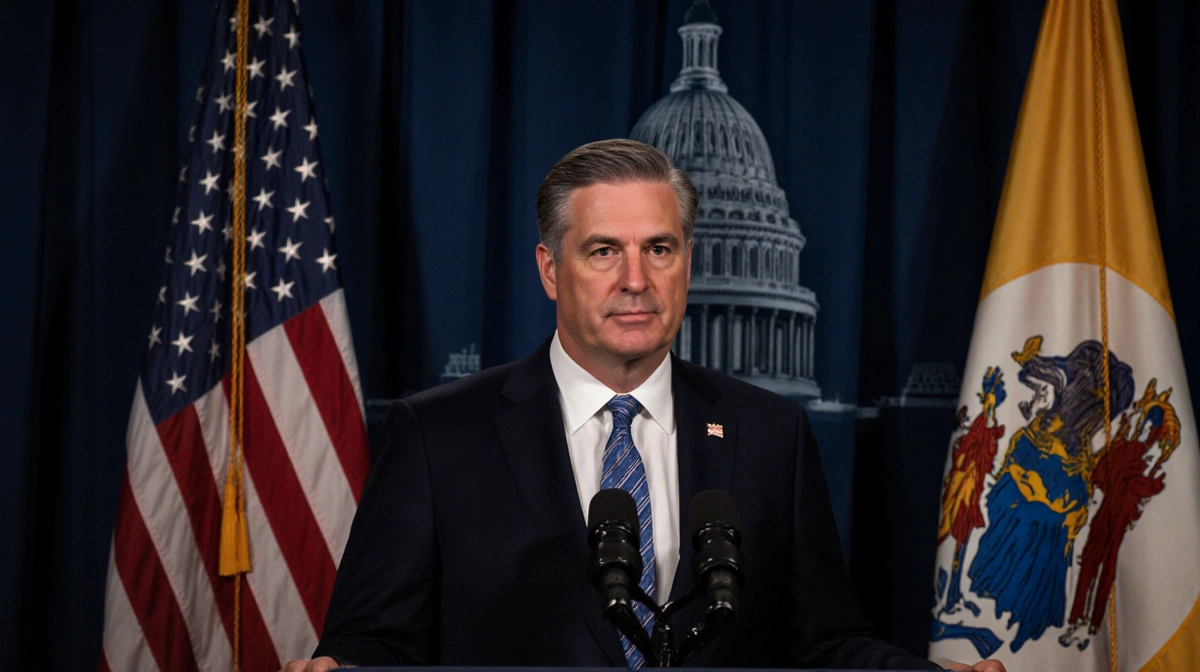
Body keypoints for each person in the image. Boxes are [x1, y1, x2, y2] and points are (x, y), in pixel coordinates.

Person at [284, 139, 1005, 672]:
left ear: (688, 262)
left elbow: (824, 641)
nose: (636, 280)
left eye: (659, 248)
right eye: (603, 251)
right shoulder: (439, 434)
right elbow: (375, 641)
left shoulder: (770, 433)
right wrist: (342, 667)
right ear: (550, 270)